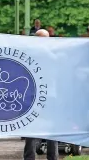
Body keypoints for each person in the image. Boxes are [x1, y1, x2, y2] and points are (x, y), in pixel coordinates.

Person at [23, 29, 59, 160]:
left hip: (49, 96)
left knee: (49, 130)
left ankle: (44, 157)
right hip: (35, 96)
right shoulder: (53, 55)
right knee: (34, 129)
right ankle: (32, 157)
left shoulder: (33, 55)